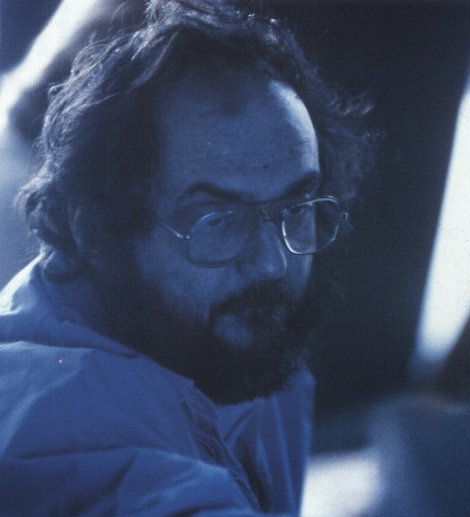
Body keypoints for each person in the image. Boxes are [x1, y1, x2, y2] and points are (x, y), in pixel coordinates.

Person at [0, 0, 372, 514]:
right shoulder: (57, 428)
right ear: (98, 231)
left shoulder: (229, 331)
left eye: (297, 206)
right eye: (218, 219)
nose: (272, 263)